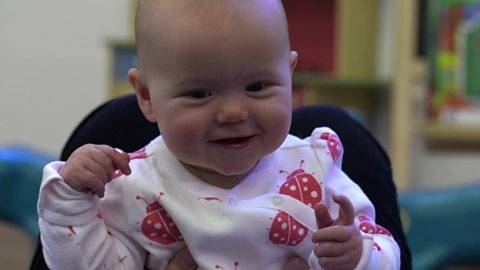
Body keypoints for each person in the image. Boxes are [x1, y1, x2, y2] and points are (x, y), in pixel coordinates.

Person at [37, 0, 401, 269]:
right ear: (146, 97)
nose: (233, 113)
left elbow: (383, 246)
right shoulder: (133, 185)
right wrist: (71, 202)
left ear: (290, 78)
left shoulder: (315, 166)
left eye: (257, 86)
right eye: (200, 94)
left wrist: (359, 256)